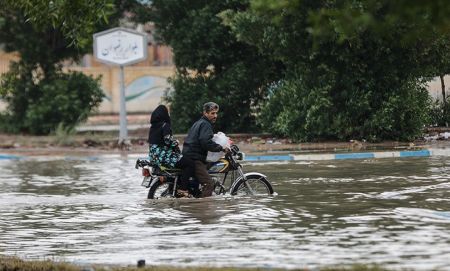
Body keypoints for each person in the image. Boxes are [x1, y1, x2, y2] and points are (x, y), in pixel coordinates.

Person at [182, 102, 230, 197]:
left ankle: (197, 196)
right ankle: (203, 209)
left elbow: (203, 139)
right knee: (209, 184)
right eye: (212, 113)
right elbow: (205, 142)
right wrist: (221, 148)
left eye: (216, 113)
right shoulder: (205, 124)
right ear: (205, 113)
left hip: (189, 155)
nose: (215, 116)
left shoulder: (198, 123)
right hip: (195, 158)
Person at [147, 104, 195, 197]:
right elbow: (167, 140)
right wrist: (176, 142)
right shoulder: (165, 125)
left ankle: (174, 186)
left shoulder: (153, 127)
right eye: (167, 112)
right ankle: (183, 189)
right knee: (190, 164)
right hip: (165, 156)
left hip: (155, 158)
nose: (168, 114)